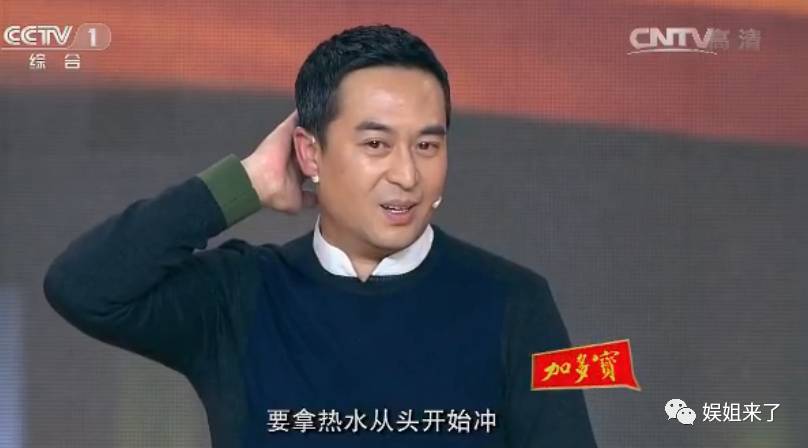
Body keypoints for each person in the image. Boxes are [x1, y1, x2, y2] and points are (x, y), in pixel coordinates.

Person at [43, 24, 598, 448]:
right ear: (310, 153)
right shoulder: (242, 295)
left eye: (427, 145)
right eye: (376, 145)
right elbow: (84, 287)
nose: (408, 175)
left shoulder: (513, 301)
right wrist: (247, 182)